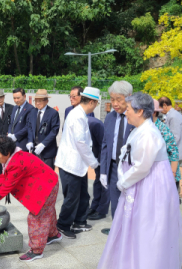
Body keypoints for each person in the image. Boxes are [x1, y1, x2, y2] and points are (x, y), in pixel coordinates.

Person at [97, 93, 182, 269]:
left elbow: (142, 167)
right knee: (133, 226)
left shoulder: (149, 133)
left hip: (149, 186)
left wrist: (122, 182)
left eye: (128, 109)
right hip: (136, 183)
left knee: (146, 227)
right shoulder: (138, 130)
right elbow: (126, 156)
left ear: (140, 111)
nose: (125, 112)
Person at [0, 136, 60, 262]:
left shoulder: (16, 163)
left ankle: (37, 250)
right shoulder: (14, 157)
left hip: (47, 186)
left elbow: (6, 187)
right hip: (49, 181)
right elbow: (4, 177)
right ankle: (53, 234)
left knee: (37, 218)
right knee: (48, 211)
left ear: (7, 152)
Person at [55, 87, 100, 239]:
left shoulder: (79, 113)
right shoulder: (78, 116)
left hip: (77, 164)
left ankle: (80, 221)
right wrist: (93, 162)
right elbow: (81, 142)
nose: (96, 106)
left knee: (83, 194)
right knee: (72, 196)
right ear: (92, 102)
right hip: (71, 164)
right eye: (97, 103)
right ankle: (62, 225)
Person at [99, 81, 134, 226]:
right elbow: (105, 145)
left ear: (129, 97)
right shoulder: (109, 118)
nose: (114, 103)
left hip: (132, 168)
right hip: (113, 167)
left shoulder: (137, 117)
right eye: (112, 99)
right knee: (115, 204)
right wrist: (103, 171)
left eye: (118, 99)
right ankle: (117, 233)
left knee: (131, 204)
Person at [158, 97, 182, 191]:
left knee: (173, 175)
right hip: (176, 151)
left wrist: (164, 148)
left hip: (175, 152)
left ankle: (175, 197)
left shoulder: (173, 116)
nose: (159, 111)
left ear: (164, 105)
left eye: (160, 108)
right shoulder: (174, 114)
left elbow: (175, 137)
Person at [26, 89, 60, 170]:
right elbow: (30, 127)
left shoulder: (53, 113)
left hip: (47, 151)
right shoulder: (32, 112)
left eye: (40, 101)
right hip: (35, 151)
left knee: (48, 175)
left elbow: (54, 130)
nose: (37, 103)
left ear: (46, 101)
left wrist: (43, 144)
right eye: (36, 100)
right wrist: (30, 141)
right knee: (35, 175)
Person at [86, 116, 108, 221]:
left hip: (103, 155)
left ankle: (102, 210)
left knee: (104, 184)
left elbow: (103, 144)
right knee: (97, 182)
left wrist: (100, 160)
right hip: (95, 154)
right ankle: (94, 206)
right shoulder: (81, 122)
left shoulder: (95, 124)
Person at [153, 99, 180, 183]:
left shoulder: (162, 129)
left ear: (153, 112)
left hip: (165, 176)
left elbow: (174, 153)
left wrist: (172, 175)